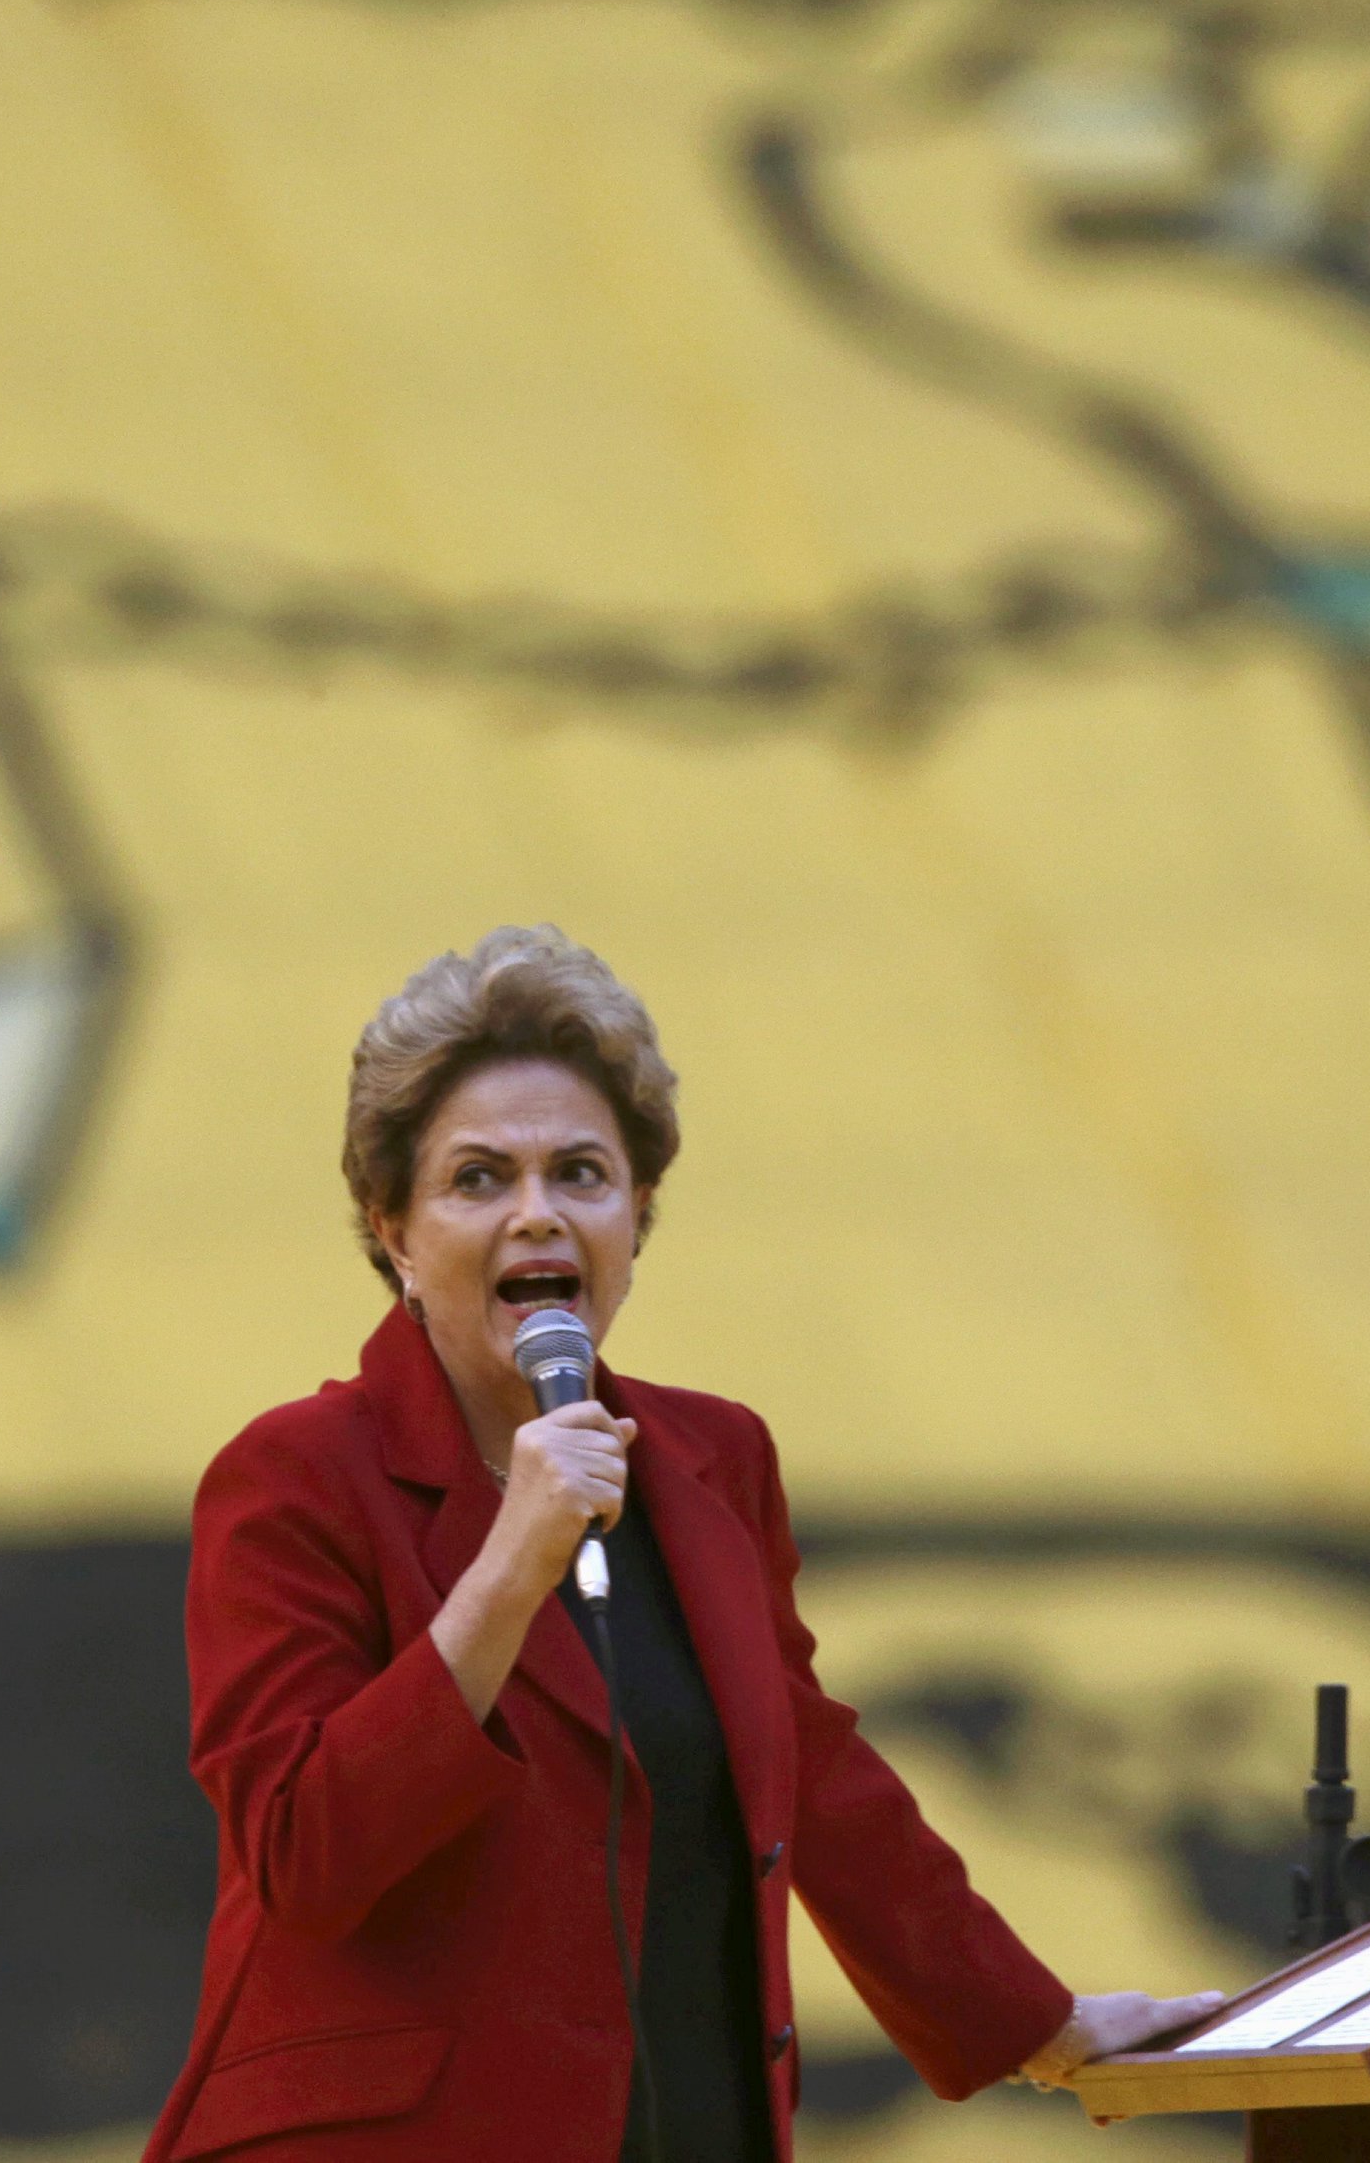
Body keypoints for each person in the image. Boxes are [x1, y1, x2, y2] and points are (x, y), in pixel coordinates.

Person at [143, 926, 1221, 2161]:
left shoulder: (712, 1461)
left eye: (581, 1175)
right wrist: (511, 1562)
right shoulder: (298, 1476)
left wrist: (1038, 2025)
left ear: (637, 1216)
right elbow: (304, 1855)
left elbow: (812, 1773)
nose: (536, 1215)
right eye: (479, 1179)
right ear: (393, 1228)